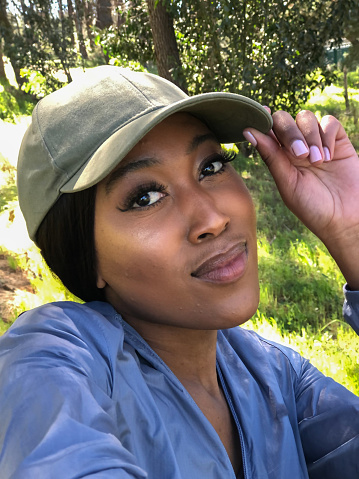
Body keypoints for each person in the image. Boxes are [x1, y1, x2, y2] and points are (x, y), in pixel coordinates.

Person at [0, 65, 358, 479]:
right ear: (85, 254)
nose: (212, 218)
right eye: (145, 197)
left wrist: (352, 231)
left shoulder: (275, 376)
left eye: (210, 167)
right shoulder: (53, 357)